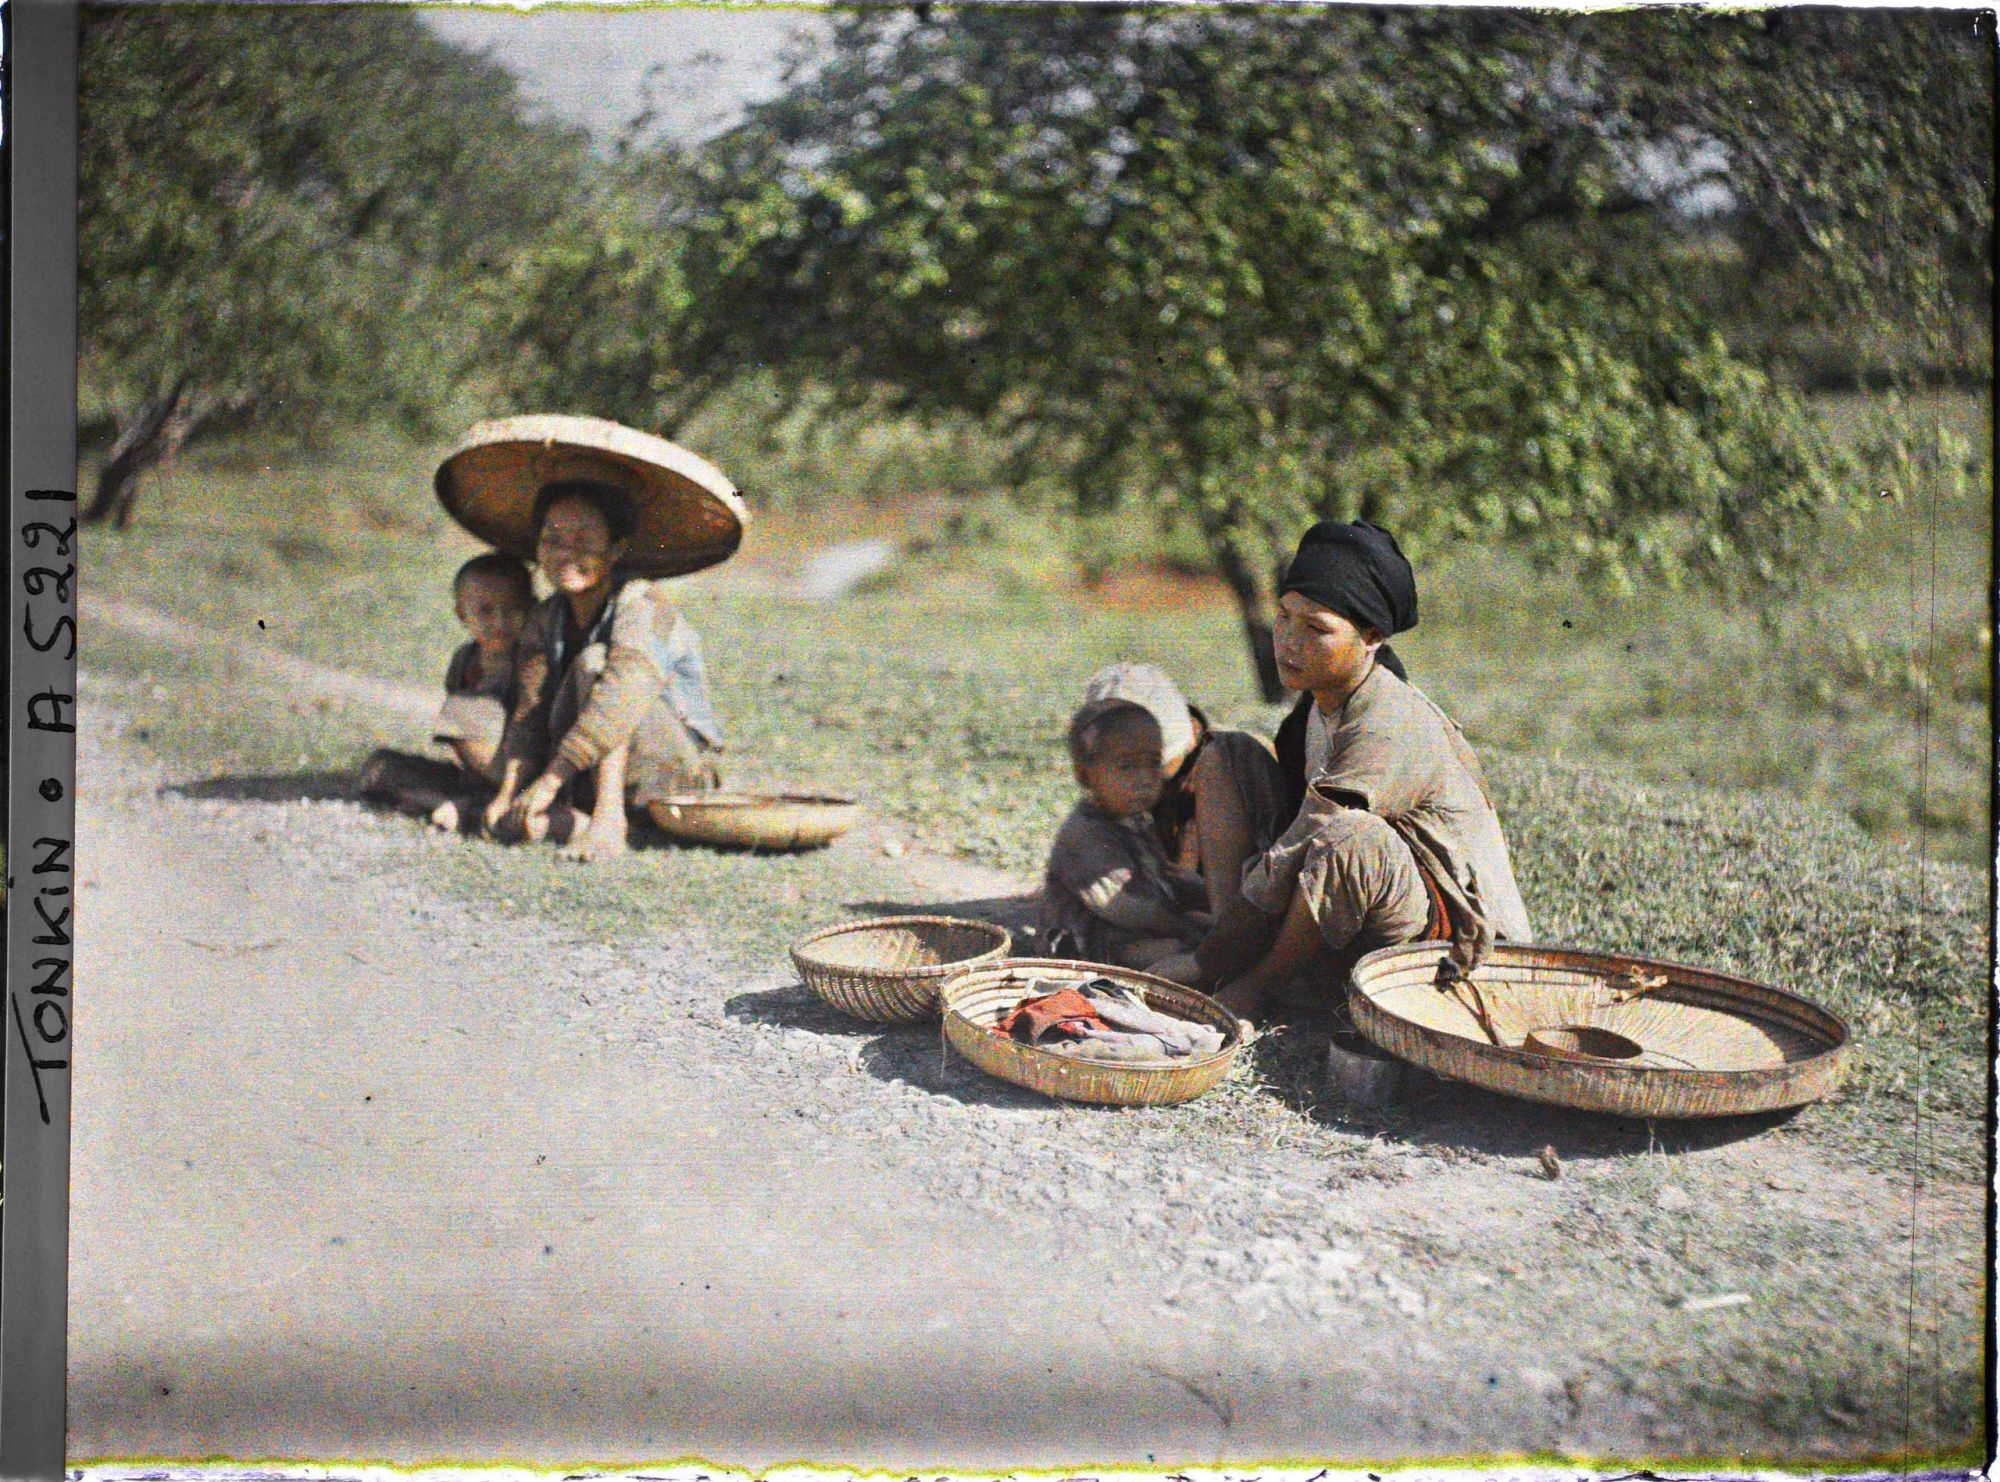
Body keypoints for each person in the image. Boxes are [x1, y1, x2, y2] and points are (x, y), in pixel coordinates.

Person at [1155, 520, 1531, 1021]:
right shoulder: (1321, 702)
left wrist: (1200, 964)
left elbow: (1302, 847)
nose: (1288, 641)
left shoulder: (1388, 725)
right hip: (1361, 901)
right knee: (1229, 754)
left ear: (1372, 637)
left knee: (1349, 836)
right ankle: (1233, 952)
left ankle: (1257, 983)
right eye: (1285, 617)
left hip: (1445, 935)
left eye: (1316, 629)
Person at [482, 479, 724, 862]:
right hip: (584, 770)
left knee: (596, 664)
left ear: (616, 548)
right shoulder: (545, 617)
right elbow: (530, 714)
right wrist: (507, 795)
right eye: (552, 539)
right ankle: (579, 818)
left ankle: (609, 822)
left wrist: (549, 781)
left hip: (672, 775)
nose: (565, 553)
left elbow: (621, 699)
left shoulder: (644, 605)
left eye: (584, 541)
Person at [358, 551, 534, 830]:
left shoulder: (531, 663)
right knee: (379, 767)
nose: (500, 622)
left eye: (513, 610)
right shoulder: (465, 660)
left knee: (460, 712)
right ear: (462, 614)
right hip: (478, 773)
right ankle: (456, 801)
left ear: (532, 607)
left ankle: (466, 806)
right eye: (486, 611)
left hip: (520, 772)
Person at [1040, 699, 1213, 970]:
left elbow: (1163, 877)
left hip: (1141, 927)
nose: (1144, 779)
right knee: (1190, 952)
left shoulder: (1136, 821)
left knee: (1213, 930)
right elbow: (1125, 907)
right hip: (1093, 944)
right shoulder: (1085, 832)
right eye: (1127, 767)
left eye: (1153, 763)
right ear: (1085, 776)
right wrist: (1180, 926)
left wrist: (1201, 894)